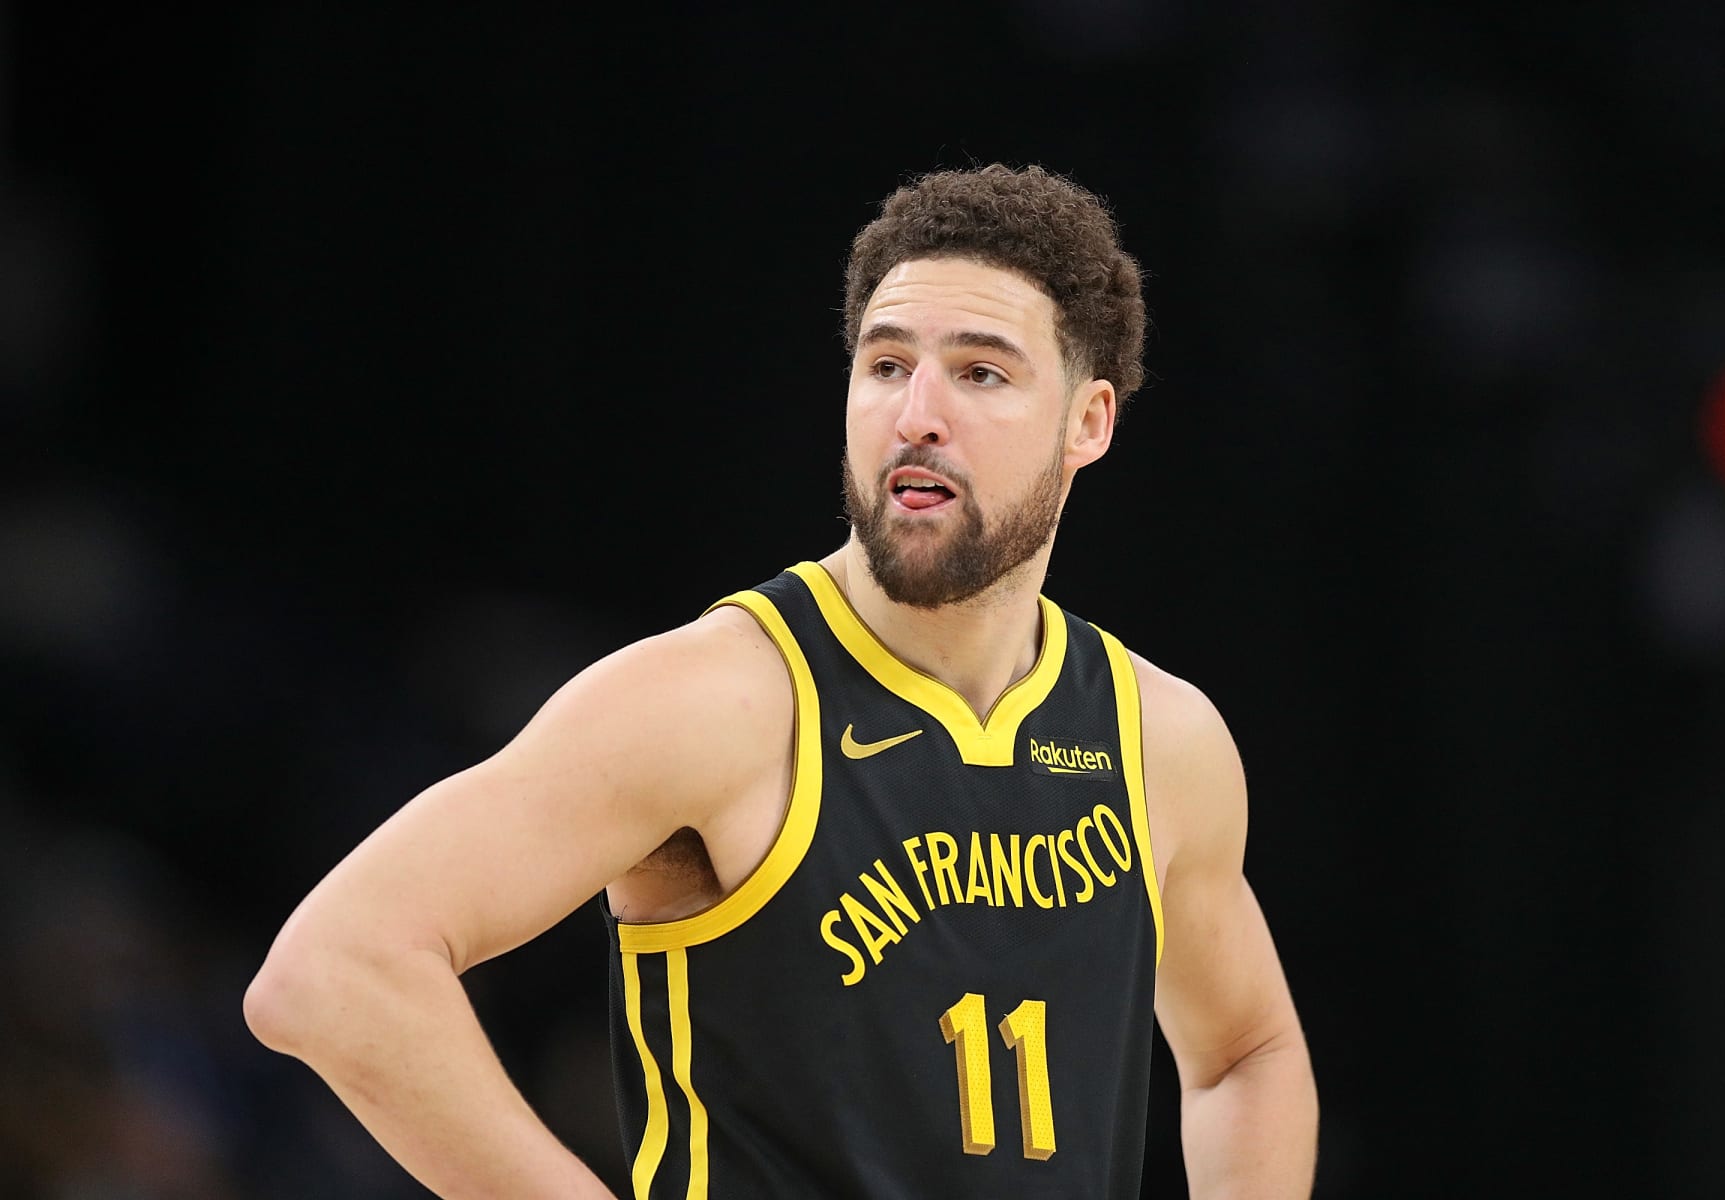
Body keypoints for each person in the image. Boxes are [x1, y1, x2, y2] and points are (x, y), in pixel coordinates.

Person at [244, 163, 1318, 1198]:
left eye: (981, 372)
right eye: (888, 365)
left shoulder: (1157, 736)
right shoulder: (720, 700)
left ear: (1088, 421)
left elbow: (1246, 1055)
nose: (917, 415)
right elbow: (336, 971)